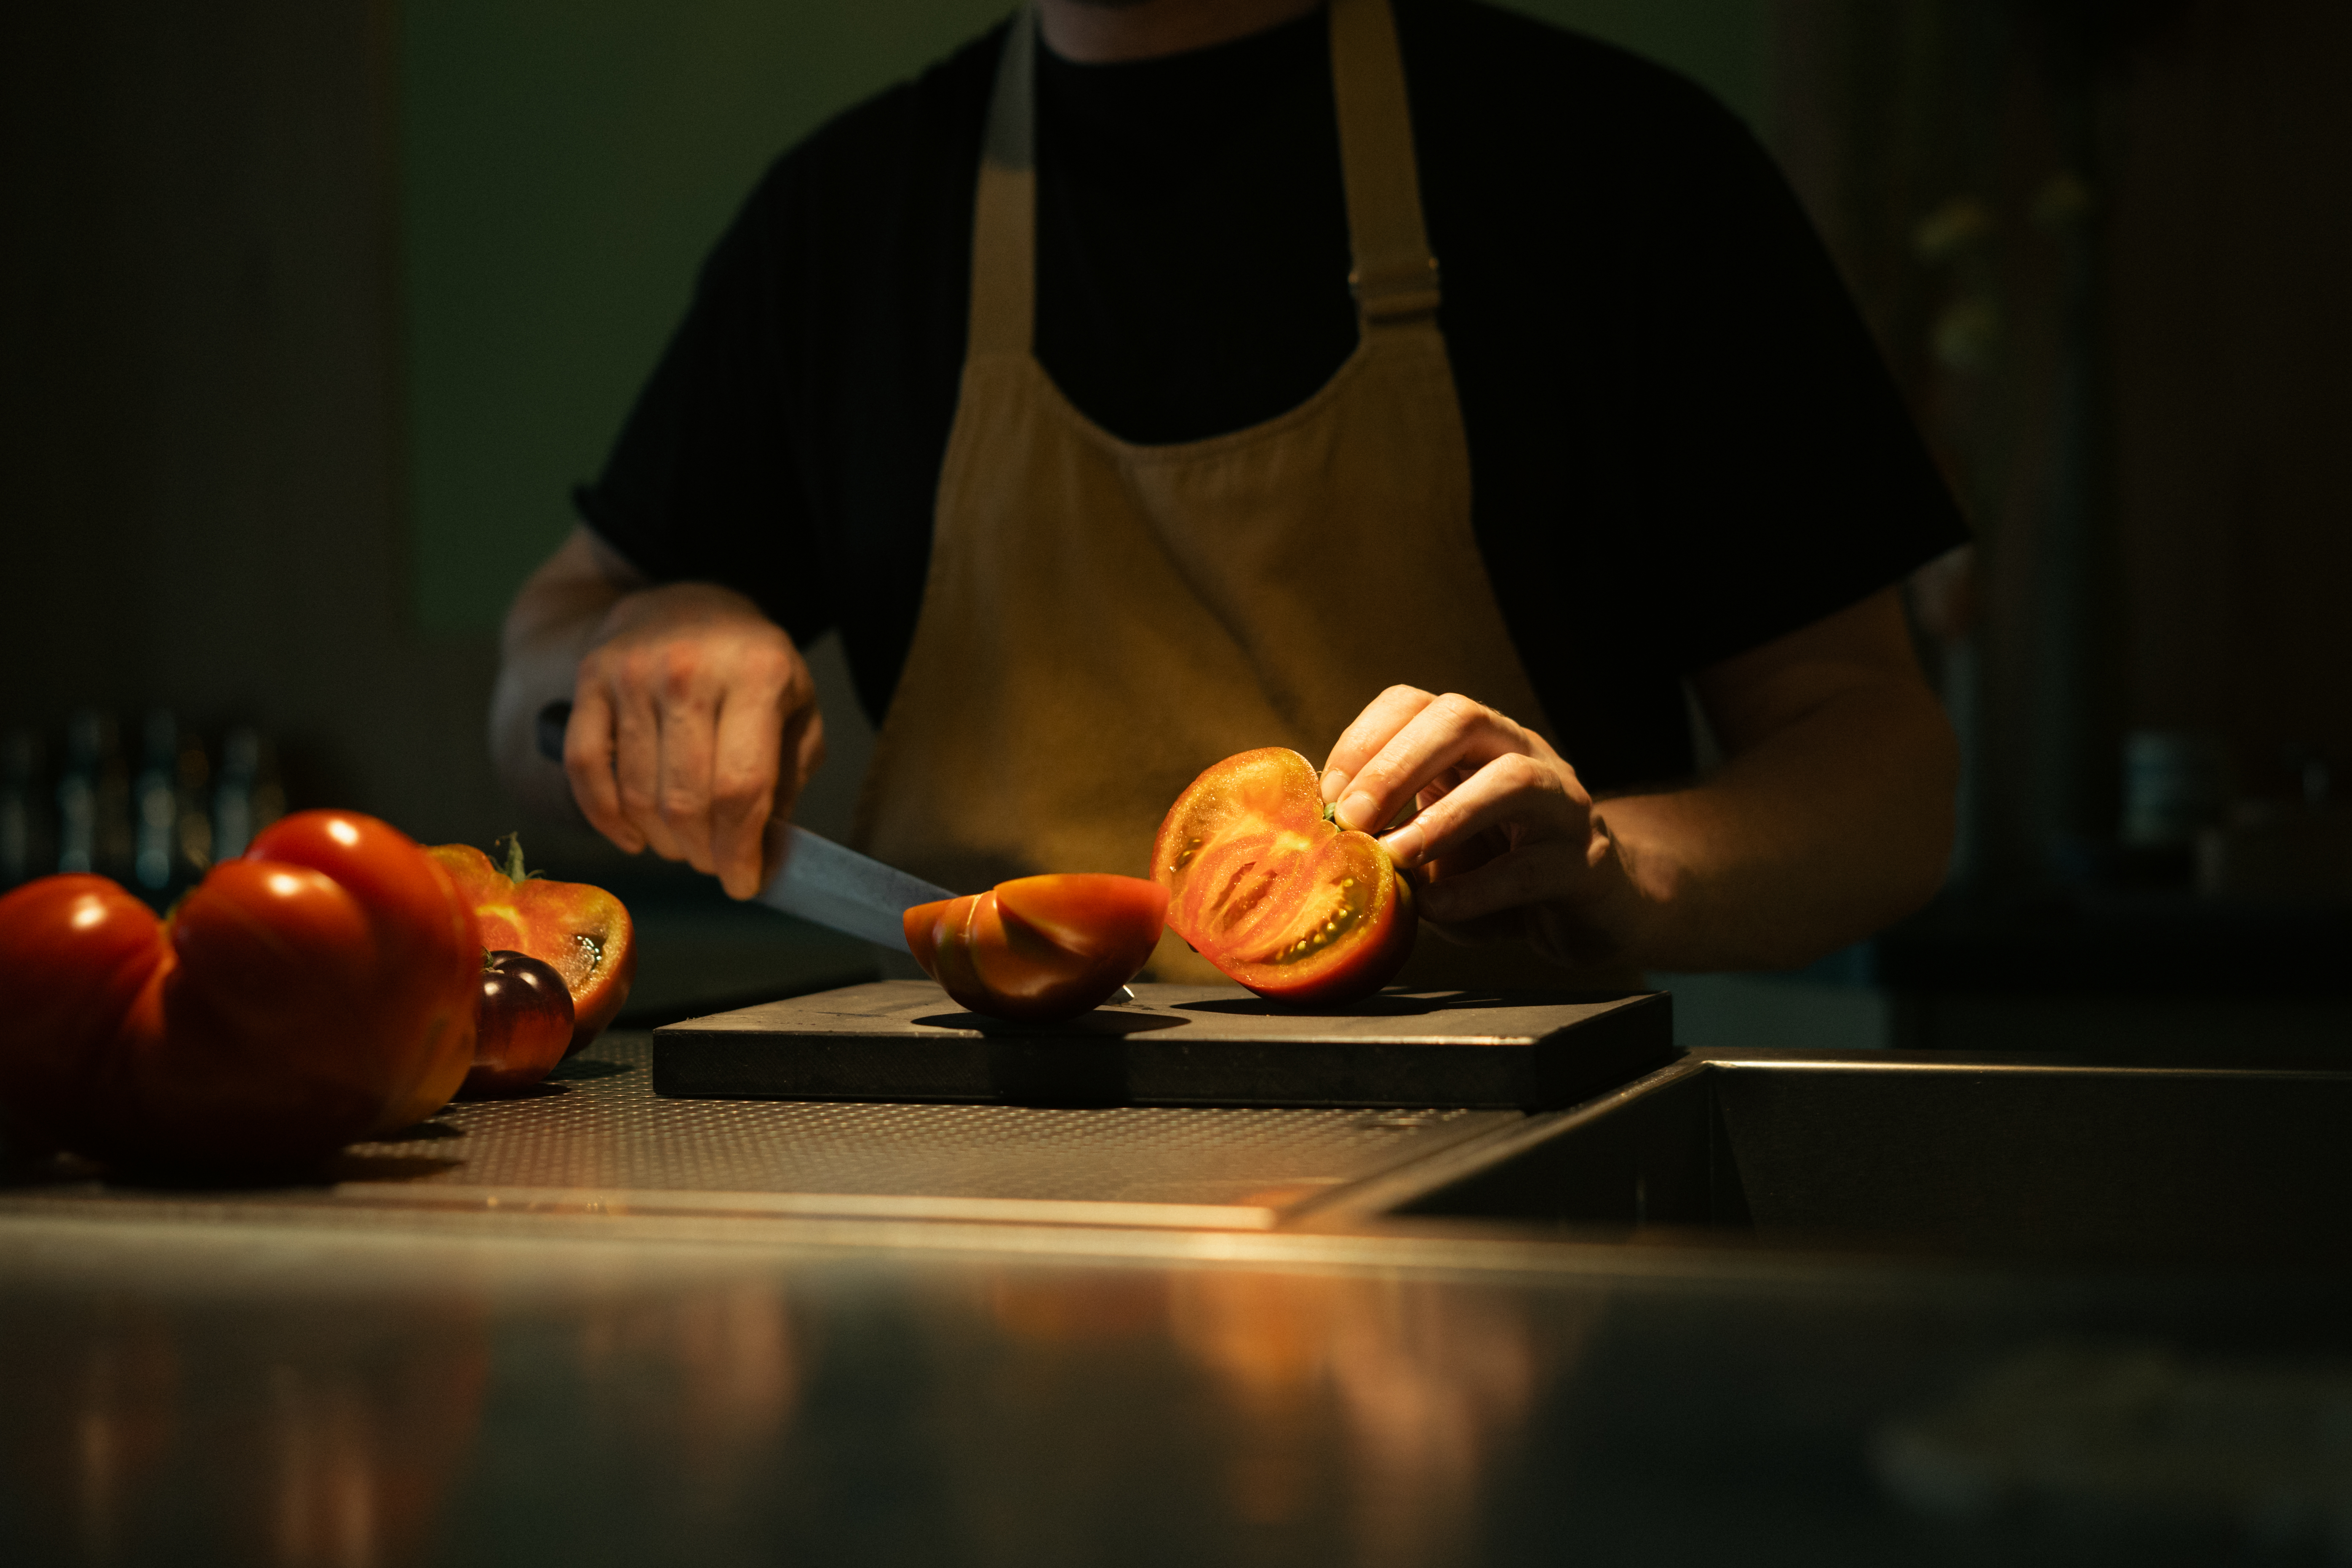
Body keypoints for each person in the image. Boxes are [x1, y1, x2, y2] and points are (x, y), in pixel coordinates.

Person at [492, 0, 1964, 988]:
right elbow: (529, 687)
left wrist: (1618, 861)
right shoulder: (844, 219)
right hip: (959, 1227)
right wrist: (648, 633)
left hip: (1495, 1233)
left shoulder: (1626, 169)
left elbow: (1888, 779)